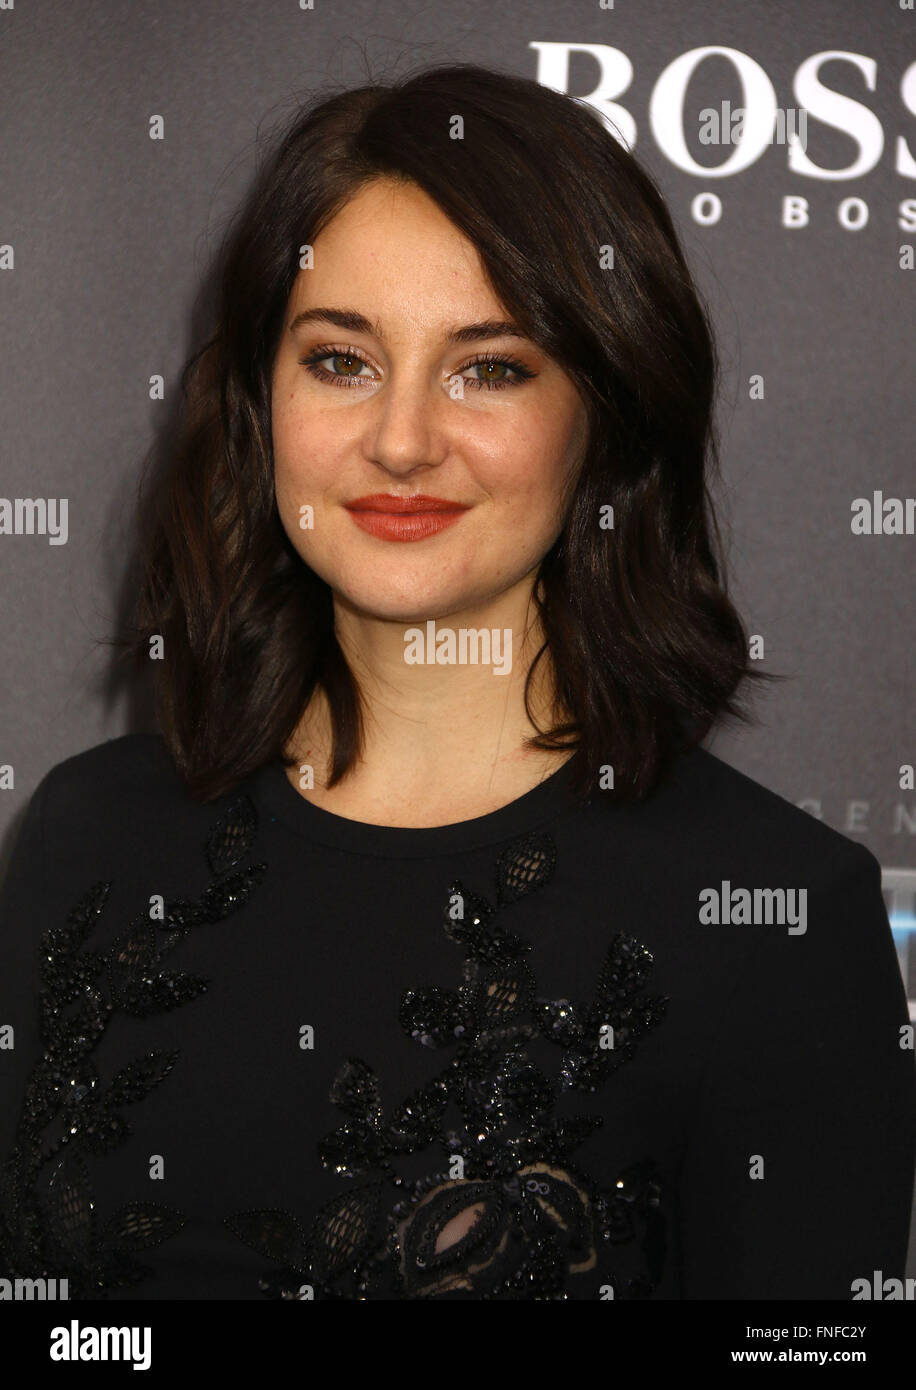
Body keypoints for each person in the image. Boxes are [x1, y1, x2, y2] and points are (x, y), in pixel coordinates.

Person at [0, 62, 913, 1301]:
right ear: (261, 399)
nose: (401, 439)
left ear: (607, 416)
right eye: (340, 359)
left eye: (490, 366)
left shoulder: (774, 918)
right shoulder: (85, 835)